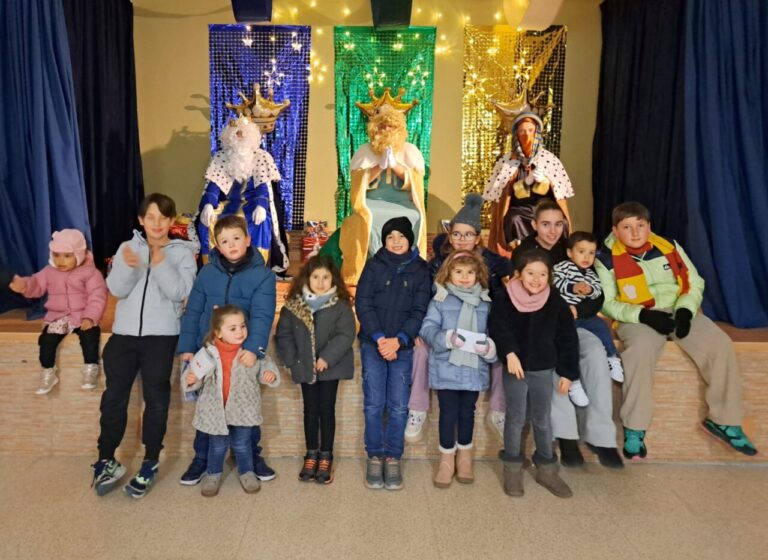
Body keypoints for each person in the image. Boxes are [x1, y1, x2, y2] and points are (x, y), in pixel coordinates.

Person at [595, 201, 758, 459]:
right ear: (615, 230)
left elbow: (694, 281)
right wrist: (643, 315)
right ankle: (635, 428)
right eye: (627, 227)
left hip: (677, 308)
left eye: (640, 225)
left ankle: (724, 420)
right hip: (638, 316)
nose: (635, 232)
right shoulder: (605, 259)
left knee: (720, 344)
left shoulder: (669, 246)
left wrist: (684, 311)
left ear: (649, 226)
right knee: (639, 352)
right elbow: (607, 303)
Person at [91, 193, 197, 498]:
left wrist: (160, 263)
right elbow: (115, 288)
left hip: (161, 337)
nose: (157, 223)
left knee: (157, 399)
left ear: (172, 220)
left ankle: (150, 461)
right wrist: (129, 267)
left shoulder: (184, 253)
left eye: (163, 217)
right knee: (114, 398)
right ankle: (106, 459)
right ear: (141, 220)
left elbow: (180, 292)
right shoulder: (127, 247)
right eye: (150, 217)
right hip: (123, 336)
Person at [513, 200, 623, 469]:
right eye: (546, 224)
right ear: (534, 225)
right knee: (552, 361)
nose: (552, 230)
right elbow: (525, 294)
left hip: (578, 323)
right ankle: (566, 437)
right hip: (544, 326)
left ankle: (601, 436)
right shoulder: (525, 252)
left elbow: (595, 292)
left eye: (558, 224)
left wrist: (579, 309)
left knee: (596, 353)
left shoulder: (573, 248)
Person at [177, 214, 277, 485]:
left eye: (236, 238)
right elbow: (193, 310)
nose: (231, 245)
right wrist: (188, 347)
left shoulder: (263, 276)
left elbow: (262, 315)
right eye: (224, 241)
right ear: (217, 246)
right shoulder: (207, 273)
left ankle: (252, 456)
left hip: (241, 354)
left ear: (248, 240)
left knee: (246, 407)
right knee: (208, 407)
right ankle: (202, 458)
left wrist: (253, 349)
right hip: (209, 351)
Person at [405, 193, 512, 443]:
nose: (462, 239)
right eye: (457, 234)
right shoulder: (436, 264)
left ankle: (498, 410)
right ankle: (417, 408)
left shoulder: (489, 265)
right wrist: (419, 331)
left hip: (479, 326)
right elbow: (424, 298)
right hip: (442, 325)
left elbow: (498, 300)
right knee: (420, 352)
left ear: (477, 238)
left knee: (501, 354)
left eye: (468, 234)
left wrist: (497, 335)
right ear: (450, 236)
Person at [489, 250, 578, 498]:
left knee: (542, 418)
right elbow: (498, 327)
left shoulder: (555, 301)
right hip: (515, 369)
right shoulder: (505, 297)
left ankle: (547, 469)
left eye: (542, 274)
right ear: (519, 274)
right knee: (515, 418)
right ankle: (512, 469)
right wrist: (509, 353)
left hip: (543, 368)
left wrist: (567, 372)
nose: (536, 279)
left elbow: (568, 338)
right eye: (530, 273)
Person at [321, 90, 427, 285]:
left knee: (415, 216)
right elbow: (359, 184)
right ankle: (371, 268)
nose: (386, 130)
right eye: (382, 126)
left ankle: (404, 268)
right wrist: (379, 166)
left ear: (399, 129)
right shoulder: (365, 151)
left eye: (391, 126)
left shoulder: (410, 150)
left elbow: (416, 184)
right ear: (374, 128)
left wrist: (396, 166)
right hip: (372, 201)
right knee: (367, 217)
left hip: (402, 201)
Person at [355, 216, 430, 490]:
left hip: (403, 346)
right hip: (373, 344)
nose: (396, 242)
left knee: (398, 405)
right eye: (390, 237)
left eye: (401, 236)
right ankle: (375, 455)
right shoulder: (374, 265)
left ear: (410, 239)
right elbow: (363, 302)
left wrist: (399, 340)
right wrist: (378, 338)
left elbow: (420, 309)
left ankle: (393, 456)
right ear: (383, 241)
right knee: (374, 404)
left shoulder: (420, 269)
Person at [274, 255, 356, 484]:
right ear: (306, 279)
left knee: (326, 410)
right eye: (315, 277)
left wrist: (326, 357)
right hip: (305, 368)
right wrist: (294, 361)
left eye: (325, 277)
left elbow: (346, 334)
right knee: (310, 411)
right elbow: (283, 335)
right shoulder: (294, 306)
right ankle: (311, 453)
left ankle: (326, 455)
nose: (320, 282)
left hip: (330, 368)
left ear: (333, 279)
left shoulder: (340, 305)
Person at [184, 305, 280, 497]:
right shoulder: (207, 353)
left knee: (242, 444)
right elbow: (194, 375)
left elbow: (265, 366)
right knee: (217, 446)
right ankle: (213, 474)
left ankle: (247, 472)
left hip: (244, 410)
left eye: (243, 326)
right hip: (216, 412)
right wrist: (192, 379)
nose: (240, 332)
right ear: (218, 332)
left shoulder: (251, 351)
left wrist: (269, 374)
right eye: (233, 328)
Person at [419, 251, 497, 488]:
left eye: (470, 272)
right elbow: (427, 329)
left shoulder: (486, 303)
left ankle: (464, 458)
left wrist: (489, 348)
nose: (464, 277)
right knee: (448, 413)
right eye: (459, 271)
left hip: (474, 369)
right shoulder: (440, 300)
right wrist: (447, 338)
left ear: (478, 275)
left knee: (467, 413)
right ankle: (446, 460)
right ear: (448, 273)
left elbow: (493, 333)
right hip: (447, 368)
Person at [10, 229, 107, 394]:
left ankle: (91, 367)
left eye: (67, 256)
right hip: (58, 317)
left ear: (79, 255)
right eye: (56, 255)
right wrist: (25, 285)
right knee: (46, 340)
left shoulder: (91, 273)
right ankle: (48, 371)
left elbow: (97, 297)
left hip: (82, 315)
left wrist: (90, 317)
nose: (60, 261)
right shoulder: (49, 271)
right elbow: (36, 283)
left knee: (90, 335)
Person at [196, 114, 289, 273]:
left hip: (251, 204)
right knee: (208, 221)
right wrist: (209, 205)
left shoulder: (261, 157)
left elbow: (263, 187)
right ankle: (212, 269)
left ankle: (256, 268)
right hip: (227, 204)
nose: (240, 138)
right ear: (230, 137)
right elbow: (214, 186)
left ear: (252, 137)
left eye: (244, 134)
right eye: (236, 134)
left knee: (261, 222)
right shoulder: (221, 157)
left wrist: (261, 206)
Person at [483, 110, 574, 258]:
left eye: (530, 130)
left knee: (560, 222)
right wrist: (523, 183)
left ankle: (555, 255)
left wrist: (546, 181)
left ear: (536, 132)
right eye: (522, 131)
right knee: (514, 219)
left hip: (545, 207)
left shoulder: (549, 159)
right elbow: (501, 192)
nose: (526, 135)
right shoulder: (507, 161)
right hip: (520, 208)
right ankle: (521, 254)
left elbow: (559, 192)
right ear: (516, 134)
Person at [553, 231, 625, 395]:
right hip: (564, 315)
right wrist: (573, 287)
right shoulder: (562, 267)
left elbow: (598, 291)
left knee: (601, 327)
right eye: (581, 251)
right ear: (570, 252)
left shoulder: (592, 274)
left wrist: (590, 290)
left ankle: (612, 357)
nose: (587, 257)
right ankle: (573, 380)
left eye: (591, 253)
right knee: (567, 342)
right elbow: (554, 282)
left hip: (584, 316)